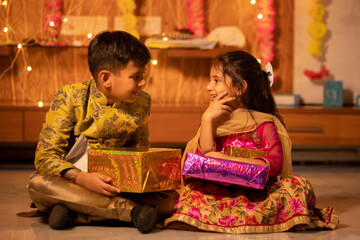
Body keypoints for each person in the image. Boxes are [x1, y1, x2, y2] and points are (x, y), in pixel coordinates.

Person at [164, 51, 339, 233]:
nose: (209, 86)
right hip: (220, 193)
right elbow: (201, 164)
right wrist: (207, 120)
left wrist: (227, 162)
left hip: (260, 195)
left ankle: (225, 218)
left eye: (216, 80)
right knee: (192, 191)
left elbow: (276, 165)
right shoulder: (214, 120)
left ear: (240, 88)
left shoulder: (264, 123)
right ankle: (249, 218)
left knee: (297, 187)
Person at [25, 30, 178, 233]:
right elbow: (45, 158)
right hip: (72, 181)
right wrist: (82, 178)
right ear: (106, 77)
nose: (142, 83)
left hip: (118, 185)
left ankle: (75, 213)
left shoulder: (142, 102)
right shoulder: (70, 96)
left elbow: (141, 152)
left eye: (143, 76)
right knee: (37, 185)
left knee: (171, 201)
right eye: (136, 77)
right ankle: (131, 212)